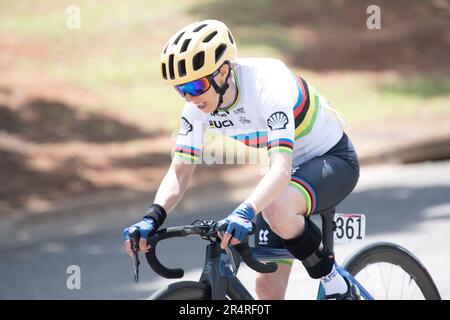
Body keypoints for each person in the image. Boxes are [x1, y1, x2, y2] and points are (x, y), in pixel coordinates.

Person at [123, 19, 360, 300]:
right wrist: (153, 216)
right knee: (267, 289)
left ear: (223, 72)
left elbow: (281, 169)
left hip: (331, 159)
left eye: (196, 86)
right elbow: (180, 171)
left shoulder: (268, 82)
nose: (189, 97)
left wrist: (245, 212)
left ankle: (334, 281)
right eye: (180, 89)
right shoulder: (195, 106)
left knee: (275, 209)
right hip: (289, 170)